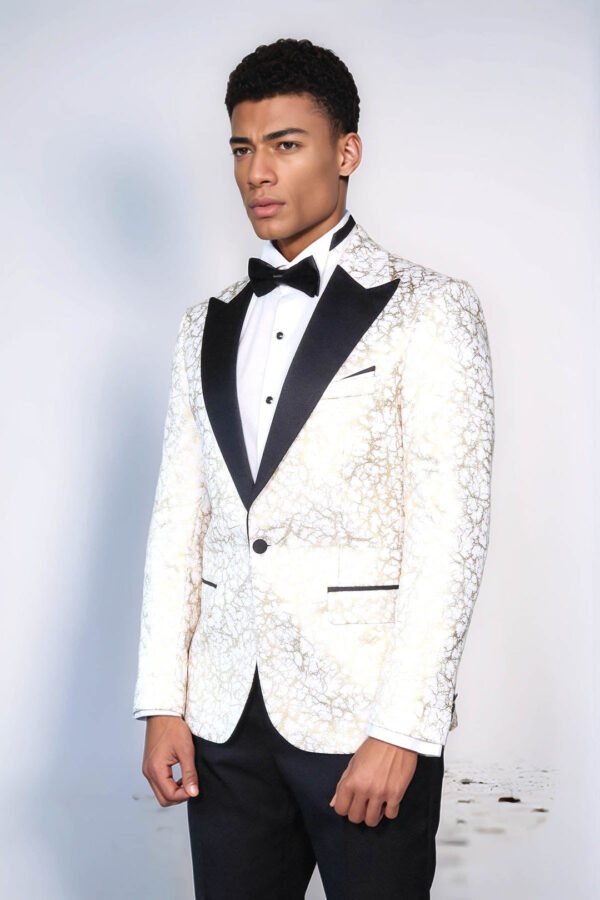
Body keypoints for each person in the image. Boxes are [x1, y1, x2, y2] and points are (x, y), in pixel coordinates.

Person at [132, 36, 495, 900]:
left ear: (346, 153)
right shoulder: (203, 325)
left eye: (285, 144)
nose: (257, 172)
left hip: (364, 723)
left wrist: (403, 730)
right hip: (224, 722)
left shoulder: (432, 309)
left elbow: (450, 536)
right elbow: (179, 520)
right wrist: (163, 703)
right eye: (241, 148)